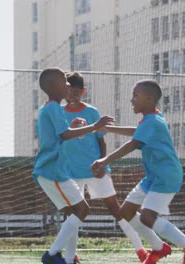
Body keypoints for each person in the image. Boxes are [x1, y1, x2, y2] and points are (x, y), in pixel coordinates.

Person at [91, 79, 185, 264]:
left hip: (166, 176)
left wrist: (104, 160)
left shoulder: (153, 121)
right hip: (153, 177)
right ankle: (159, 248)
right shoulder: (151, 119)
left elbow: (134, 143)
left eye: (135, 95)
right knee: (126, 212)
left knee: (147, 217)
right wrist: (109, 129)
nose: (131, 100)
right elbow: (137, 131)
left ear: (149, 98)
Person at [62, 71, 147, 263]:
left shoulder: (92, 111)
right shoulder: (58, 113)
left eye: (76, 92)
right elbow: (59, 140)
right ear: (64, 90)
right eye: (69, 91)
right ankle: (70, 255)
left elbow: (101, 141)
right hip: (70, 172)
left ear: (83, 91)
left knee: (116, 209)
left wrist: (103, 164)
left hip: (94, 169)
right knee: (70, 213)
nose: (73, 95)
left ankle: (140, 249)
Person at [32, 67, 114, 264]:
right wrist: (94, 126)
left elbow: (63, 131)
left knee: (75, 214)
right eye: (64, 82)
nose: (69, 85)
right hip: (53, 172)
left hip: (54, 171)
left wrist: (76, 125)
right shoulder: (52, 107)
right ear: (53, 86)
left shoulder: (49, 107)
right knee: (81, 210)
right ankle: (51, 255)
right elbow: (65, 135)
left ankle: (68, 259)